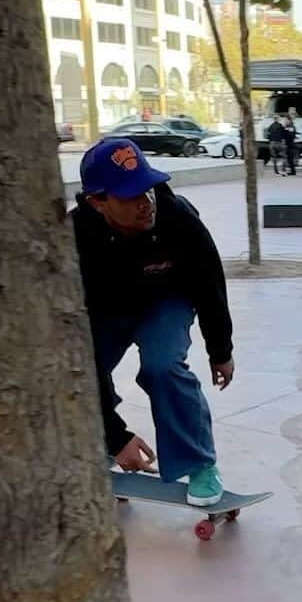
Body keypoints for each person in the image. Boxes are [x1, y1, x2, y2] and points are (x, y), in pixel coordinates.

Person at [72, 138, 233, 508]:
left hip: (166, 301)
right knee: (80, 368)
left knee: (162, 366)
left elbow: (210, 285)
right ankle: (100, 447)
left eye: (146, 190)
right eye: (130, 197)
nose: (145, 203)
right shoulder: (75, 238)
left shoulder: (177, 217)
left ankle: (200, 464)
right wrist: (115, 437)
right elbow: (76, 353)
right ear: (97, 202)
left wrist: (220, 350)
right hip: (105, 309)